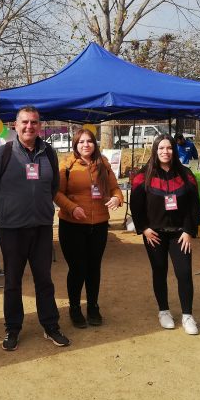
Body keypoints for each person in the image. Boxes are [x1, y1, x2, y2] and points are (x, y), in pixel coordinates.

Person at [0, 105, 70, 351]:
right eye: (25, 122)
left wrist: (40, 208)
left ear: (39, 126)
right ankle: (13, 328)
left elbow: (53, 187)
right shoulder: (4, 153)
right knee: (12, 281)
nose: (29, 126)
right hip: (12, 229)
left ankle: (50, 326)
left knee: (44, 280)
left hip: (41, 227)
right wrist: (7, 210)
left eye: (34, 122)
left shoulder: (48, 153)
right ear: (15, 126)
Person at [130, 135, 200, 335]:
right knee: (159, 271)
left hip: (180, 234)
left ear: (174, 150)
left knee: (184, 273)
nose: (165, 152)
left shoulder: (186, 174)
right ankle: (163, 311)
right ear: (155, 150)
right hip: (154, 235)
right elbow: (136, 206)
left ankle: (187, 315)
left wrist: (189, 230)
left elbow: (194, 206)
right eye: (161, 148)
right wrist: (144, 228)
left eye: (169, 148)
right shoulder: (142, 176)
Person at [54, 129, 123, 328]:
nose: (86, 145)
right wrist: (72, 207)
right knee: (77, 269)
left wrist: (117, 198)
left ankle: (93, 307)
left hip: (99, 226)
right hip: (72, 226)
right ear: (75, 145)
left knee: (94, 268)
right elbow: (57, 193)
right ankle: (75, 308)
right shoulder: (67, 164)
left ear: (95, 143)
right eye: (81, 142)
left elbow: (115, 188)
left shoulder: (103, 163)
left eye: (90, 141)